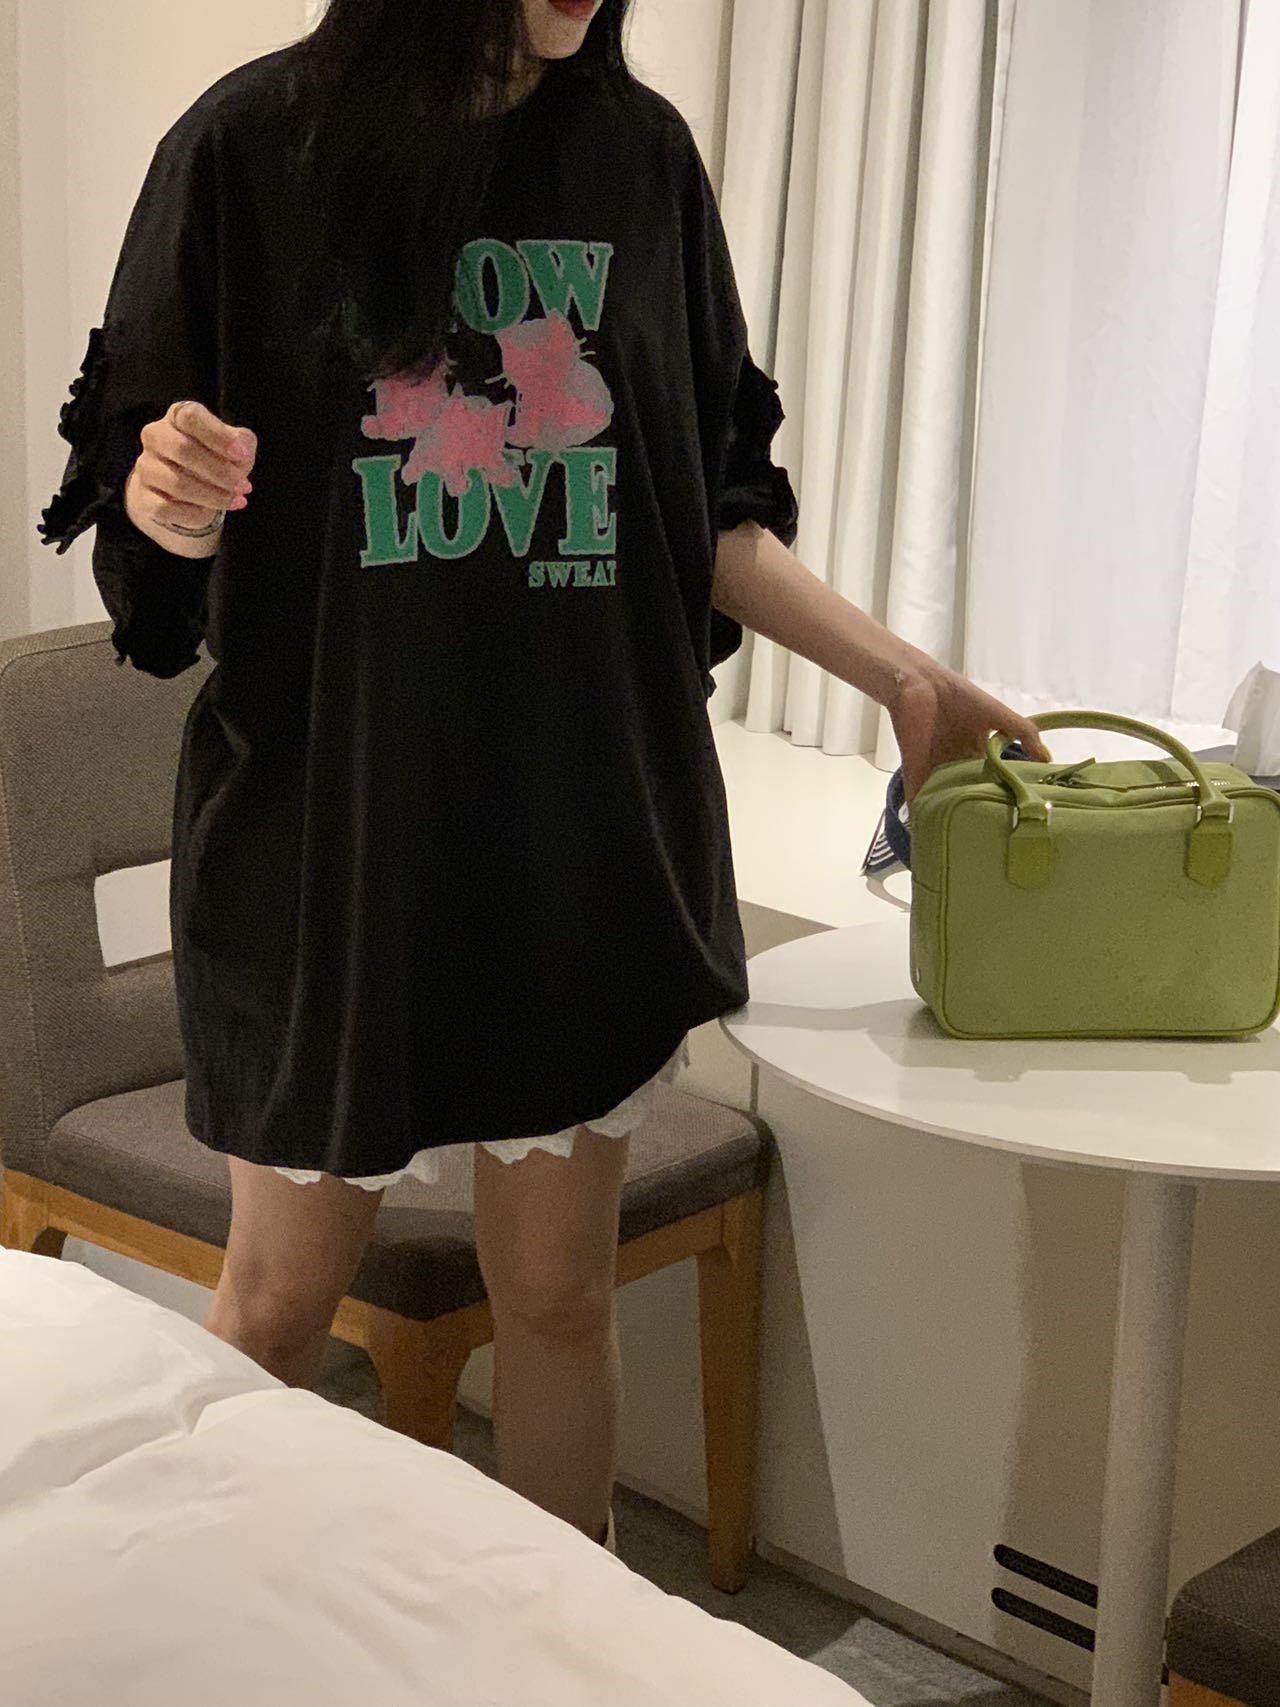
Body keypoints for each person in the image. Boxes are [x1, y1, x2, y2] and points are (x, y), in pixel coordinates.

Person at [39, 0, 1047, 1554]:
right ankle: (210, 1630)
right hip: (335, 841)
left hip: (576, 826)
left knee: (562, 1297)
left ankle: (554, 1653)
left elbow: (700, 505)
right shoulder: (251, 148)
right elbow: (146, 505)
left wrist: (907, 680)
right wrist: (165, 497)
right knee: (279, 1308)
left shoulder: (639, 161)